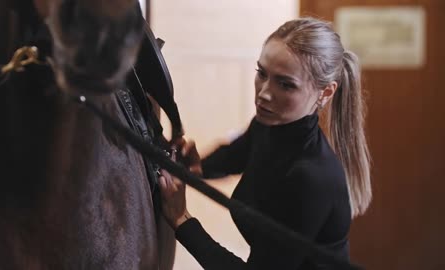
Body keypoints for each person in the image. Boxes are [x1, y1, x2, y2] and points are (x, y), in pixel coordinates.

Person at [158, 17, 372, 269]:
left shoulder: (311, 177)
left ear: (325, 93)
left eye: (285, 84)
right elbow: (233, 156)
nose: (263, 93)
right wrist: (195, 167)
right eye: (262, 73)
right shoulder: (268, 126)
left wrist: (182, 221)